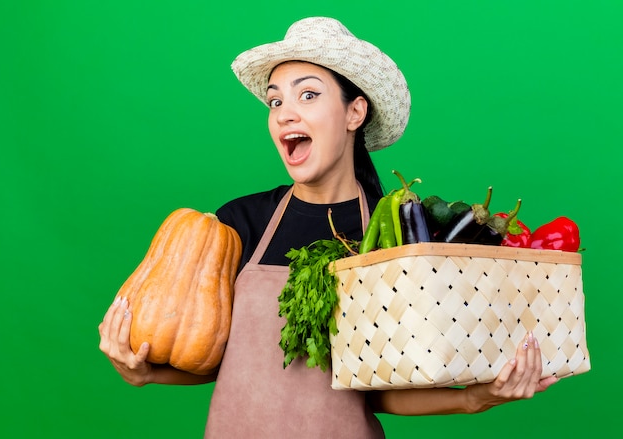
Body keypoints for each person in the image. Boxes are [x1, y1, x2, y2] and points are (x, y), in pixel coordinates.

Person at [98, 17, 558, 438]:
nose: (284, 113)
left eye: (308, 94)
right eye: (276, 99)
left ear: (354, 113)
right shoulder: (238, 223)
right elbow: (217, 356)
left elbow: (383, 389)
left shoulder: (393, 233)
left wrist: (479, 398)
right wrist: (146, 371)